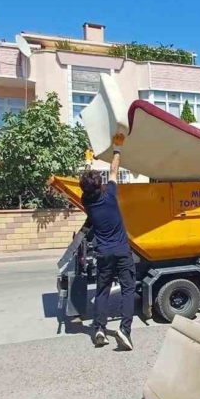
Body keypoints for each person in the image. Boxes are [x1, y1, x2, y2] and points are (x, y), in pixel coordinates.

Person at [79, 134, 134, 350]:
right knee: (128, 290)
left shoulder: (87, 202)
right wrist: (117, 146)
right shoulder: (110, 194)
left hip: (103, 253)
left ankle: (100, 329)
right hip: (121, 251)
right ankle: (124, 331)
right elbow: (114, 169)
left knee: (102, 291)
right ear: (101, 185)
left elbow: (94, 183)